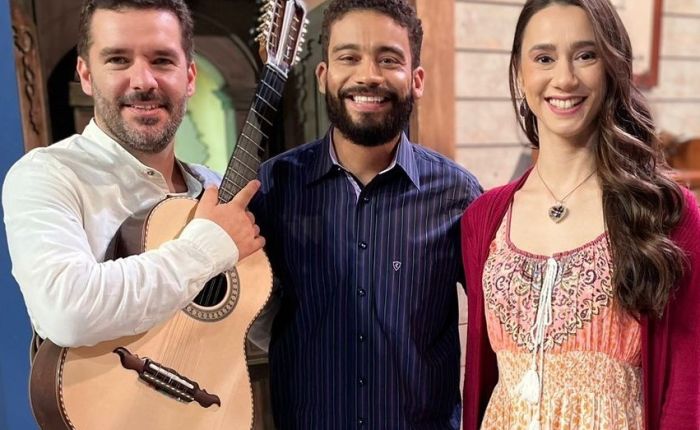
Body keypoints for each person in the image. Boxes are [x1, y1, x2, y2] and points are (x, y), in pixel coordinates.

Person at [460, 0, 700, 429]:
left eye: (586, 55)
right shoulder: (483, 218)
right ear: (520, 71)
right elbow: (481, 379)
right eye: (544, 58)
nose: (565, 78)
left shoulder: (670, 215)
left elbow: (688, 390)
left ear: (611, 66)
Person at [247, 0, 482, 428]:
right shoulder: (274, 187)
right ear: (324, 77)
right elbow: (238, 306)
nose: (368, 74)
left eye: (388, 59)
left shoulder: (458, 194)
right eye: (348, 57)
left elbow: (498, 323)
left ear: (417, 80)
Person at [2, 0, 263, 350]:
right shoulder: (47, 175)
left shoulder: (221, 191)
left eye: (162, 60)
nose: (143, 81)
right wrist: (210, 245)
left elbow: (259, 321)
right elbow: (68, 313)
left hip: (220, 401)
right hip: (107, 405)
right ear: (87, 75)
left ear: (188, 78)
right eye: (118, 60)